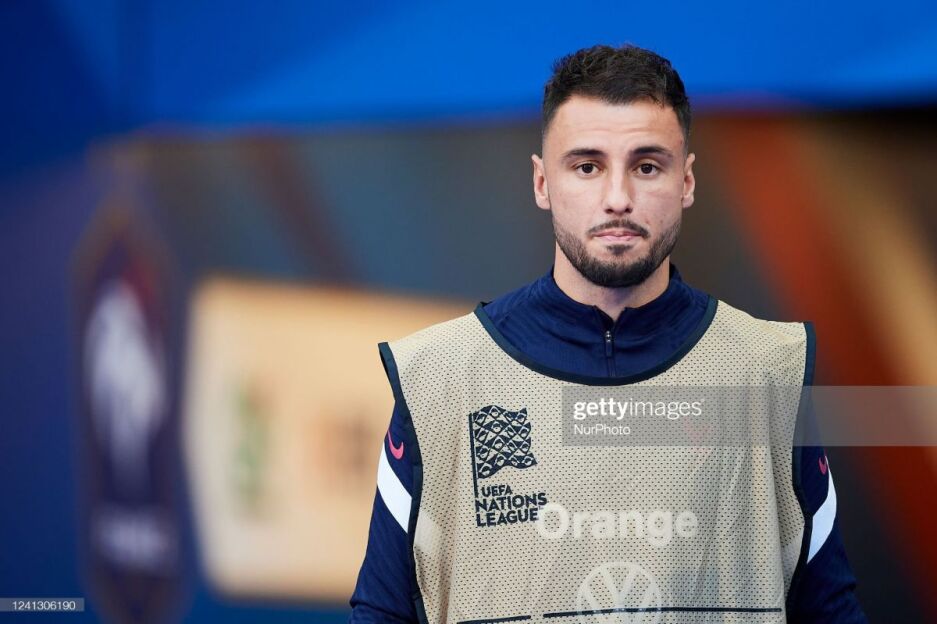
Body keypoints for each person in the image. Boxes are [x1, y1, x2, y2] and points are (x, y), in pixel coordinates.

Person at [349, 44, 866, 623]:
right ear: (542, 182)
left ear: (686, 180)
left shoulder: (768, 371)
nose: (618, 199)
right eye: (587, 166)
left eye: (646, 166)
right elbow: (381, 612)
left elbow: (830, 610)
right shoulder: (439, 379)